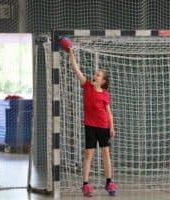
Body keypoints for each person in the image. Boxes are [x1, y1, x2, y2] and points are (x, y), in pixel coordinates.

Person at [68, 48, 117, 197]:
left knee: (105, 153)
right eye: (95, 74)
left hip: (103, 126)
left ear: (103, 81)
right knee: (88, 153)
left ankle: (109, 182)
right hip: (90, 126)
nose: (95, 76)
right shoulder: (87, 86)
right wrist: (71, 53)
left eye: (98, 75)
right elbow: (76, 69)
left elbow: (108, 112)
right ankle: (85, 184)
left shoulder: (105, 94)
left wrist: (112, 127)